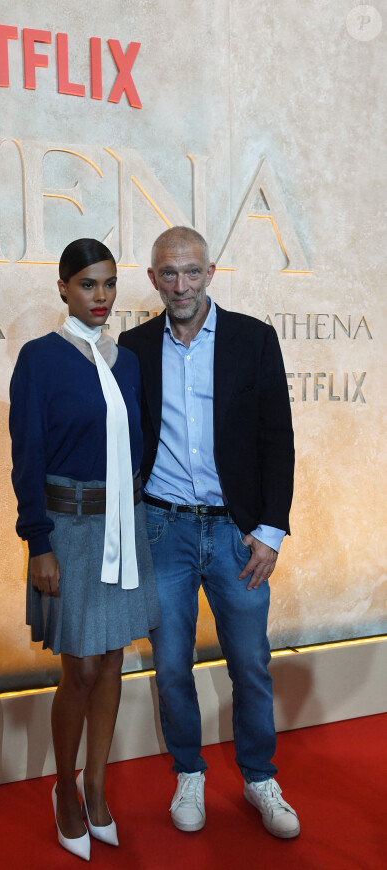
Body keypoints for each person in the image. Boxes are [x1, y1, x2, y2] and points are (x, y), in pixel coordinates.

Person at [118, 226, 300, 839]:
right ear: (152, 280)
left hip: (237, 536)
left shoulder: (254, 340)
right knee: (170, 667)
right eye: (167, 274)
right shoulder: (133, 346)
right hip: (163, 529)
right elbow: (125, 446)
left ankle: (258, 777)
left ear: (210, 272)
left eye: (191, 272)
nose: (180, 285)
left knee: (250, 663)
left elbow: (278, 438)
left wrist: (270, 532)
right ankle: (189, 772)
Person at [9, 238, 161, 861]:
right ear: (64, 290)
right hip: (66, 534)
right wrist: (38, 542)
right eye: (88, 285)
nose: (101, 297)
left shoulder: (126, 363)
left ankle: (98, 786)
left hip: (124, 524)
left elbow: (142, 444)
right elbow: (26, 456)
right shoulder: (40, 359)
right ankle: (65, 788)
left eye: (109, 285)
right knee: (81, 668)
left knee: (115, 661)